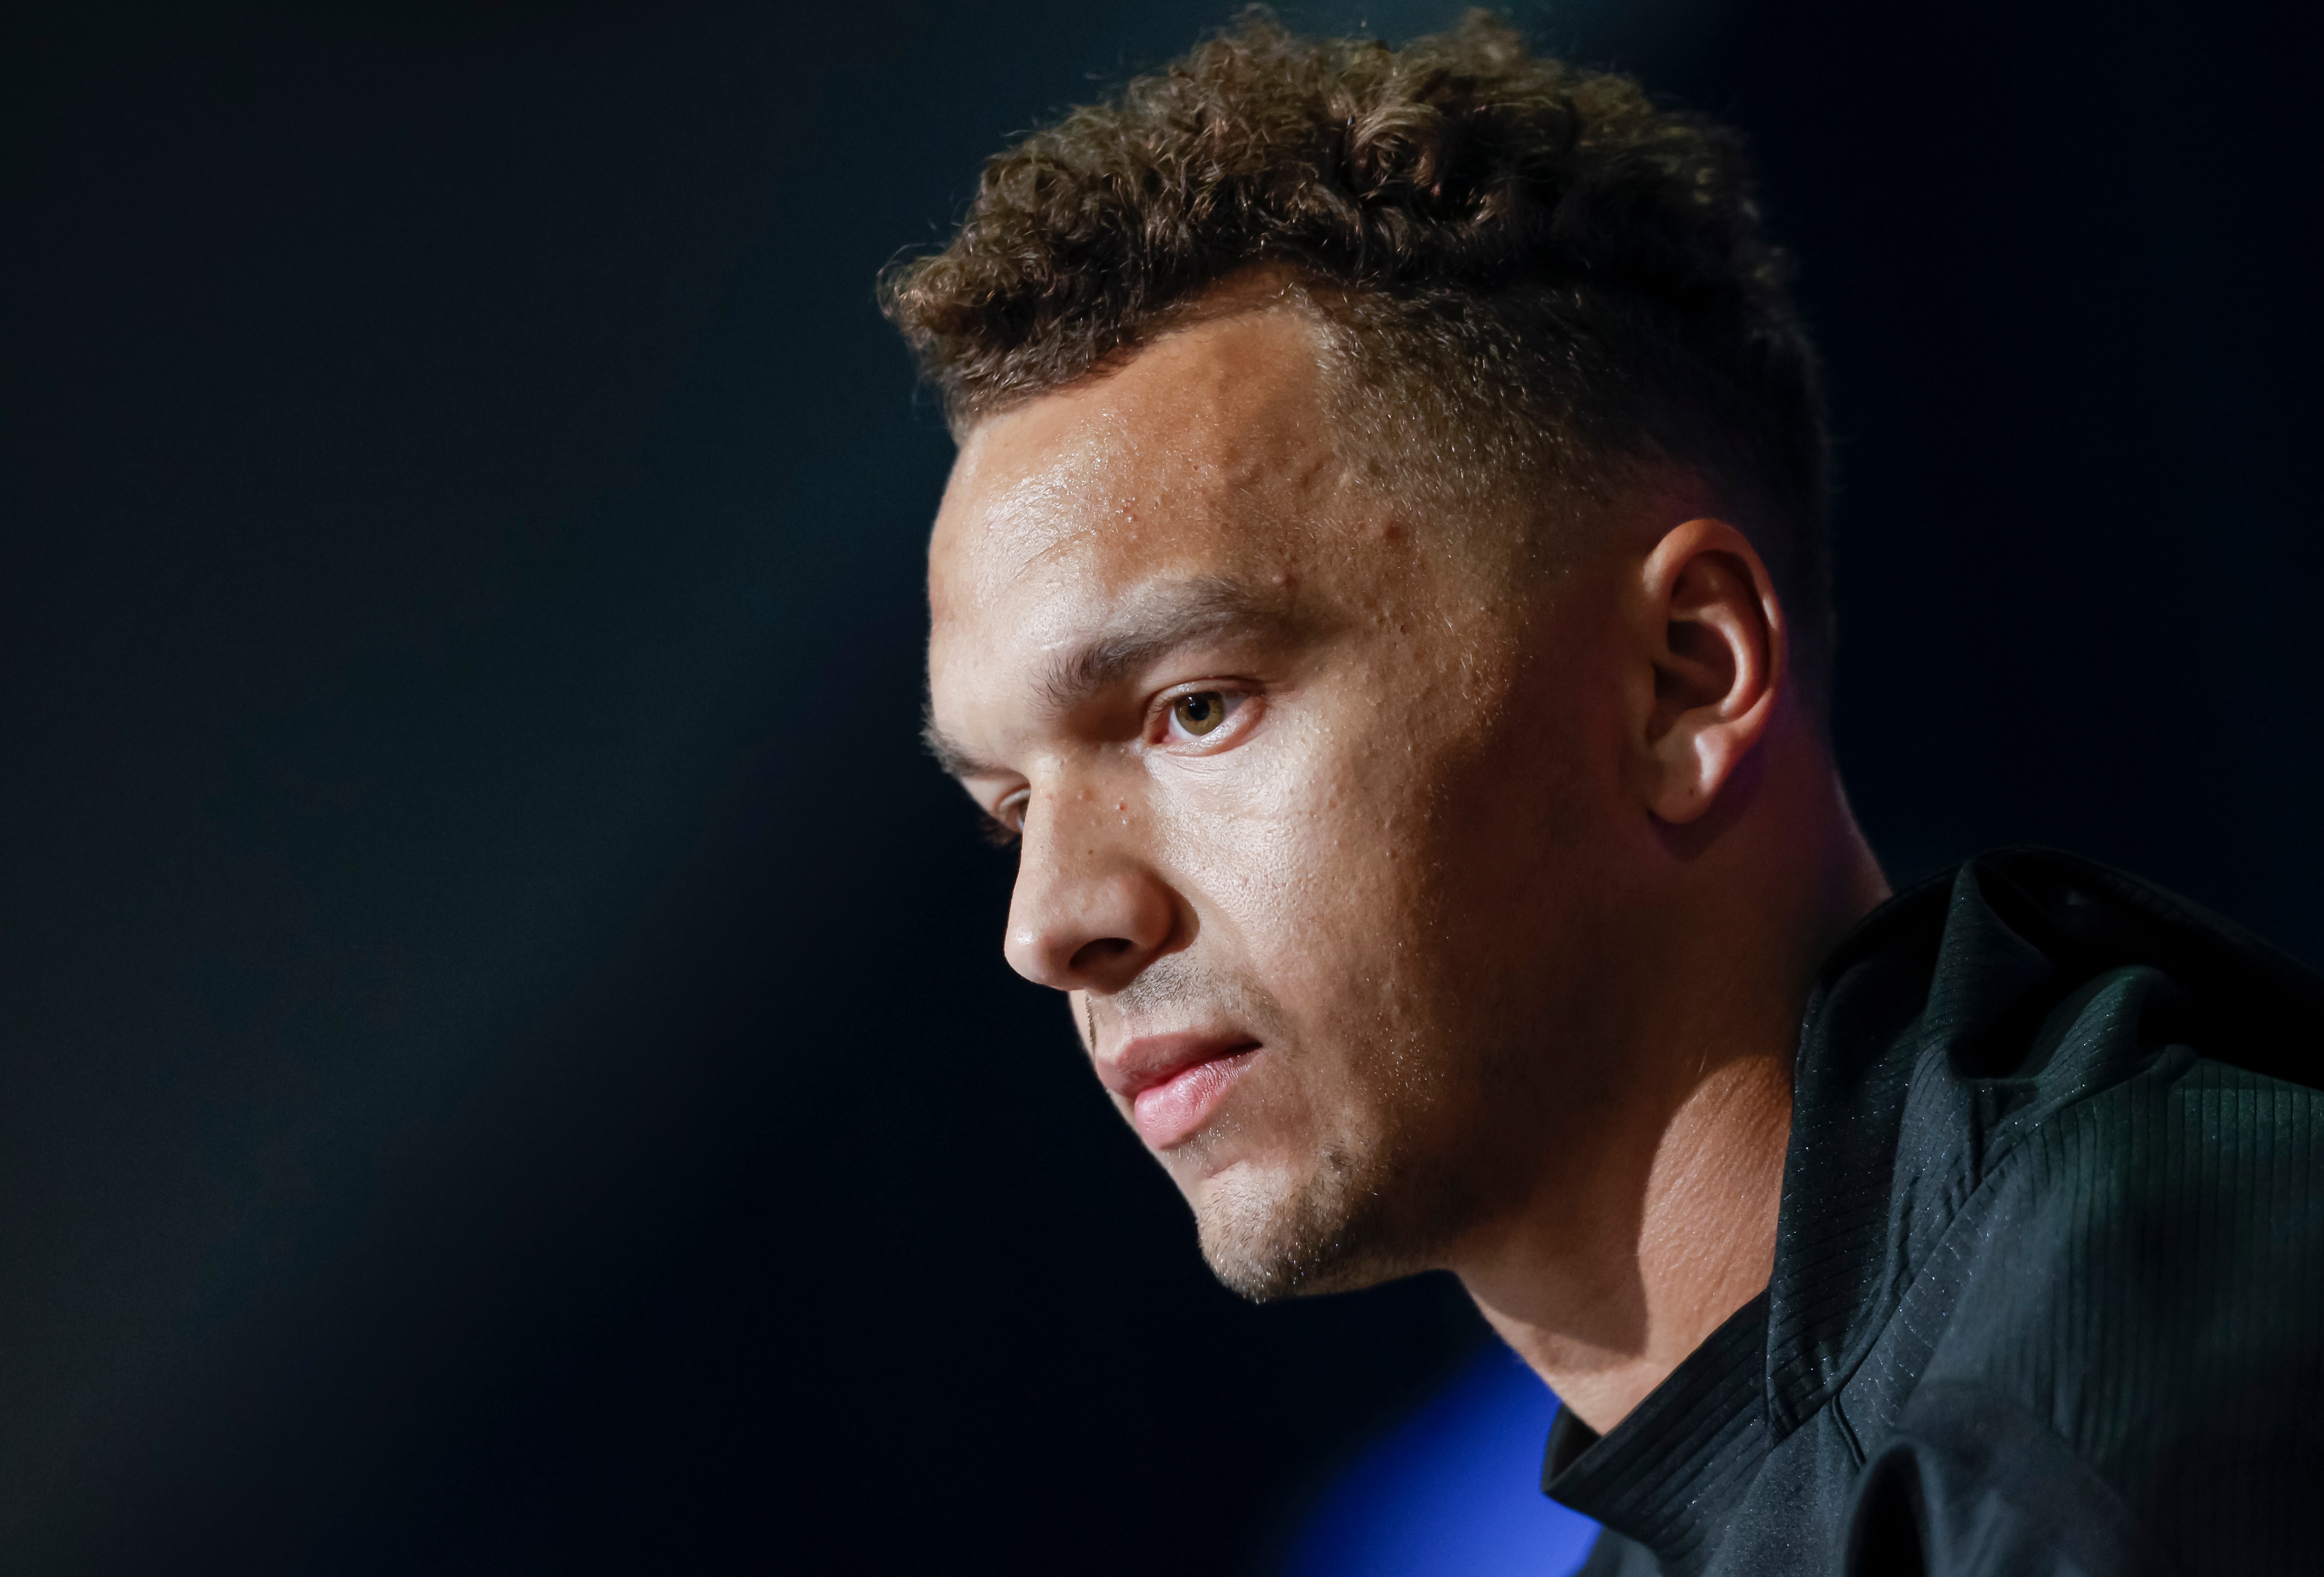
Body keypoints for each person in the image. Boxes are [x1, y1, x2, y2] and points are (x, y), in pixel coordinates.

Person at [885, 13, 2324, 1574]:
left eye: (1192, 707)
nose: (1053, 925)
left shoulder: (2140, 1370)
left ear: (1684, 680)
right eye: (1011, 809)